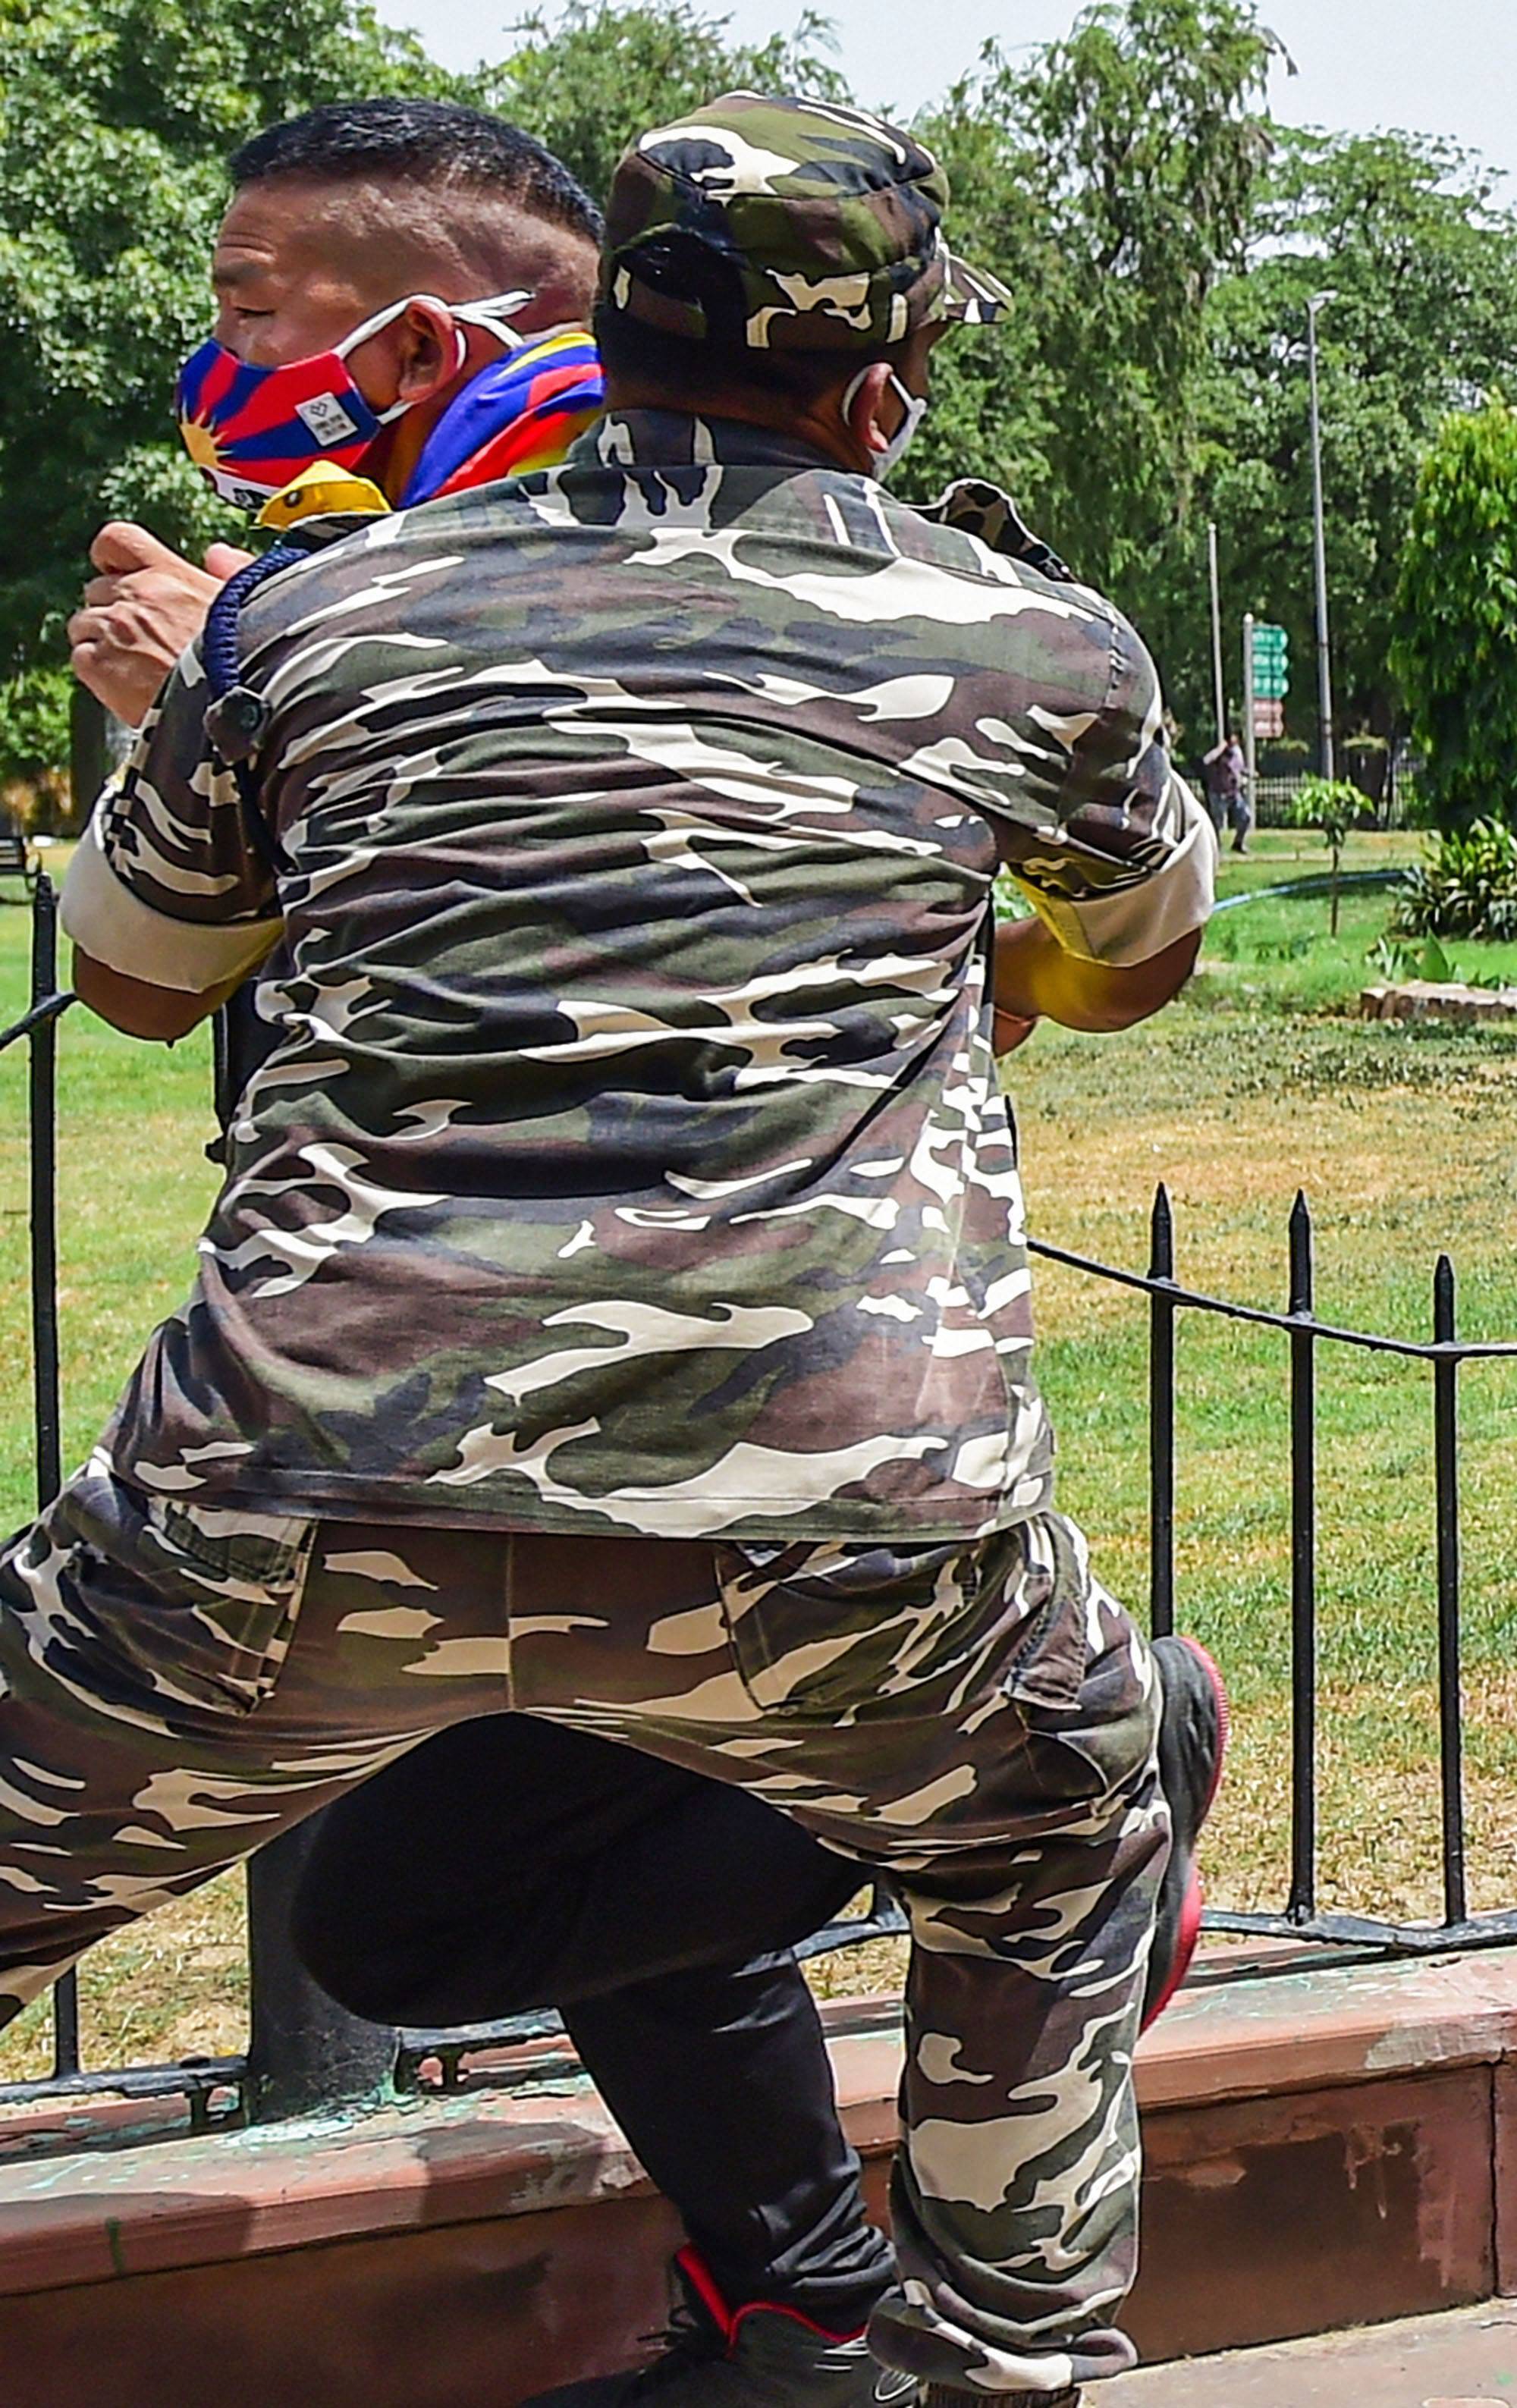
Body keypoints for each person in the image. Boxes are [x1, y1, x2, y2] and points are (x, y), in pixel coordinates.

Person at [5, 89, 1220, 2406]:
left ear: (605, 326)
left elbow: (141, 973)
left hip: (285, 1508)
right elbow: (1132, 951)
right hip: (853, 1522)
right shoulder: (1034, 638)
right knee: (1058, 1827)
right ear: (887, 383)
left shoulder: (307, 619)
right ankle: (997, 2360)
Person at [70, 99, 608, 725]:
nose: (218, 354)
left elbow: (505, 793)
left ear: (418, 351)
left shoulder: (607, 536)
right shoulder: (433, 536)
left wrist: (232, 682)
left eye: (253, 312)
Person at [1206, 731, 1254, 852]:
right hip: (1218, 793)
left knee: (1246, 817)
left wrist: (1249, 774)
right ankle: (1215, 847)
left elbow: (1239, 769)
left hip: (1233, 793)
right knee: (1217, 823)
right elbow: (1207, 760)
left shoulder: (1237, 752)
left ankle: (1238, 843)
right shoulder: (1219, 754)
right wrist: (1220, 749)